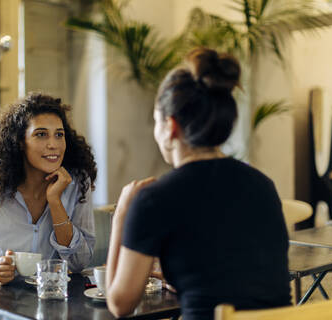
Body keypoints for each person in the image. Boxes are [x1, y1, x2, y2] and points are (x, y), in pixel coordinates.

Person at [106, 48, 291, 320]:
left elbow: (119, 304)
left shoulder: (154, 199)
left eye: (155, 121)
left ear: (170, 127)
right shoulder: (262, 184)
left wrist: (121, 215)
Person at [0, 93, 97, 288]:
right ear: (20, 142)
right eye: (41, 134)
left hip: (51, 302)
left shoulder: (77, 185)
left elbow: (78, 262)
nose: (53, 144)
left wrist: (55, 201)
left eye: (59, 134)